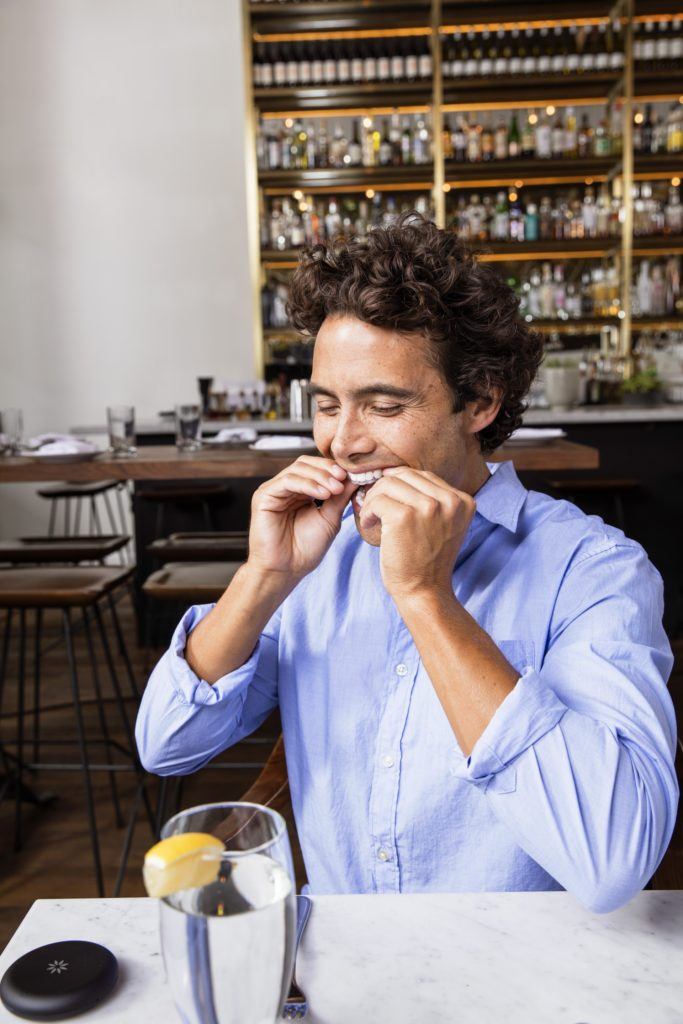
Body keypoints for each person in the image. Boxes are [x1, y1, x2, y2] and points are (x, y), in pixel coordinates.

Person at [136, 217, 678, 912]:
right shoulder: (317, 556)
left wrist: (425, 595)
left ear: (478, 401)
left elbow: (610, 861)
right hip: (343, 961)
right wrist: (264, 577)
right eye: (326, 406)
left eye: (383, 406)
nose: (343, 443)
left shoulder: (594, 570)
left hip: (523, 976)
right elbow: (166, 744)